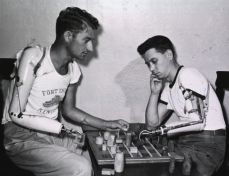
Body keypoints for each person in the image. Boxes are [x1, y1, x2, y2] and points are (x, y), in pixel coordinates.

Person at [2, 7, 129, 176]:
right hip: (20, 138)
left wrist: (107, 123)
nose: (91, 48)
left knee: (88, 152)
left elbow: (68, 111)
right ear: (68, 36)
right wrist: (60, 129)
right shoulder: (34, 56)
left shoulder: (73, 69)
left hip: (49, 134)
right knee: (81, 168)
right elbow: (15, 114)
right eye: (86, 40)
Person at [137, 35, 226, 176]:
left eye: (154, 61)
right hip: (187, 143)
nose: (152, 69)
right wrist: (154, 93)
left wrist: (161, 131)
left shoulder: (188, 74)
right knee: (152, 166)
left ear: (169, 54)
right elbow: (151, 125)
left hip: (207, 144)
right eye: (148, 64)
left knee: (157, 170)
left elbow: (198, 122)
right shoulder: (169, 88)